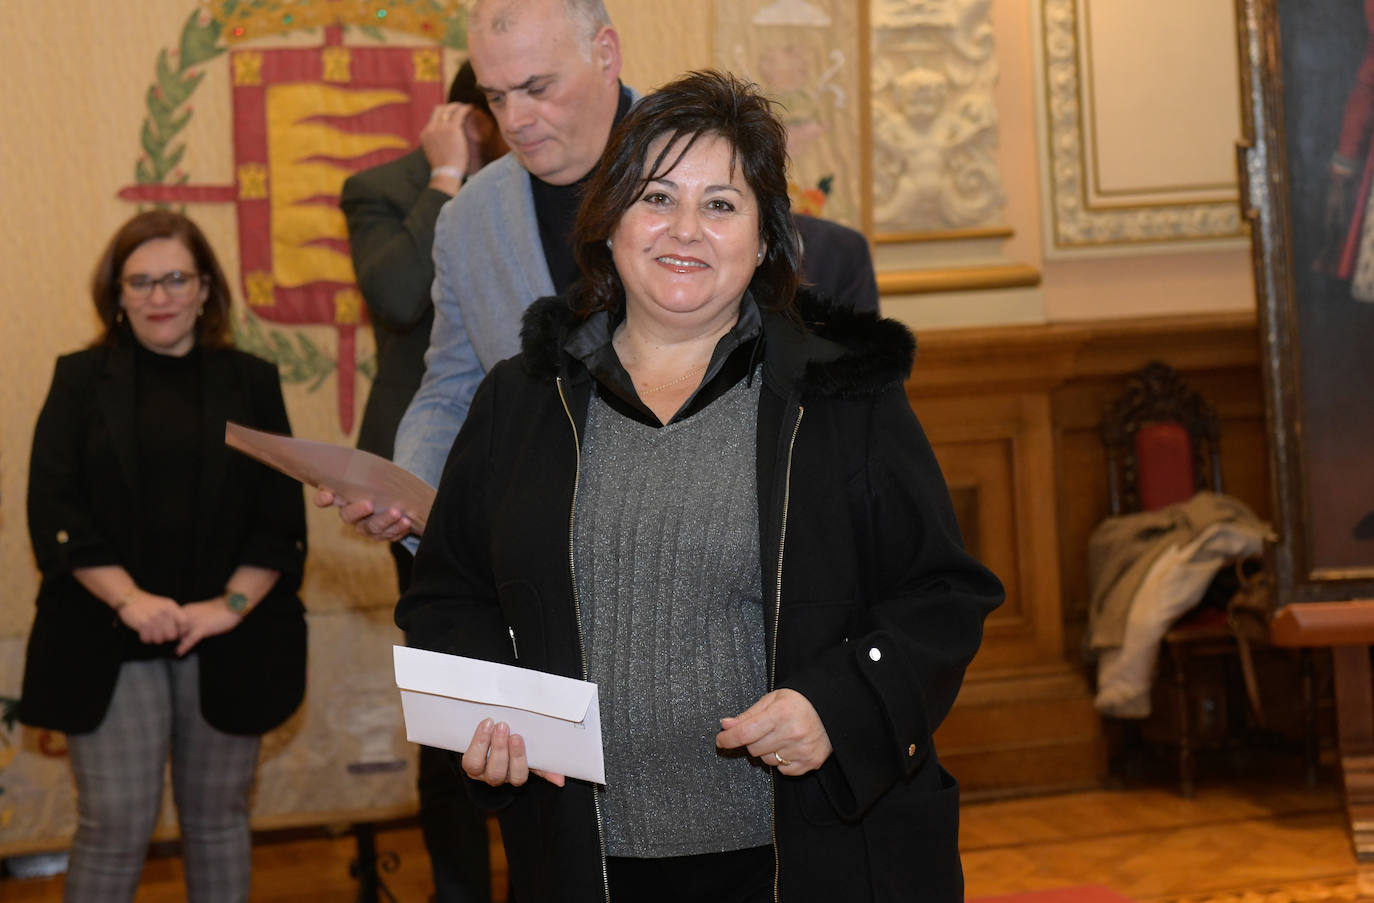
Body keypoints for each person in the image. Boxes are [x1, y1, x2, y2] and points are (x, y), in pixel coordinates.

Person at [395, 71, 1004, 903]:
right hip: (586, 864)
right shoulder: (523, 399)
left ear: (763, 239)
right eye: (656, 198)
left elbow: (941, 593)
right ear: (608, 224)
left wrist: (841, 704)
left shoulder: (841, 394)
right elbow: (448, 595)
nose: (686, 230)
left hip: (807, 859)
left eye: (720, 204)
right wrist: (489, 719)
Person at [321, 0, 879, 544]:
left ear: (605, 53)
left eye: (538, 88)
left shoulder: (702, 166)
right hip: (534, 556)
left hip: (712, 545)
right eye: (496, 96)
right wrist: (408, 494)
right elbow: (449, 388)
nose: (515, 120)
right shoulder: (468, 217)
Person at [20, 210, 308, 902]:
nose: (159, 296)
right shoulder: (80, 379)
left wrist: (227, 606)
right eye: (140, 281)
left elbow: (280, 521)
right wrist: (131, 600)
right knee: (115, 825)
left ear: (205, 287)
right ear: (115, 294)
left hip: (228, 637)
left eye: (175, 277)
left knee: (218, 822)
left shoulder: (252, 381)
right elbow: (54, 510)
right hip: (107, 633)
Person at [341, 60, 507, 903]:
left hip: (529, 464)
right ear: (472, 112)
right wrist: (445, 177)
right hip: (426, 474)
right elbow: (401, 296)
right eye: (507, 102)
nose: (525, 121)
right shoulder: (383, 187)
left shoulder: (559, 182)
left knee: (542, 692)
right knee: (454, 706)